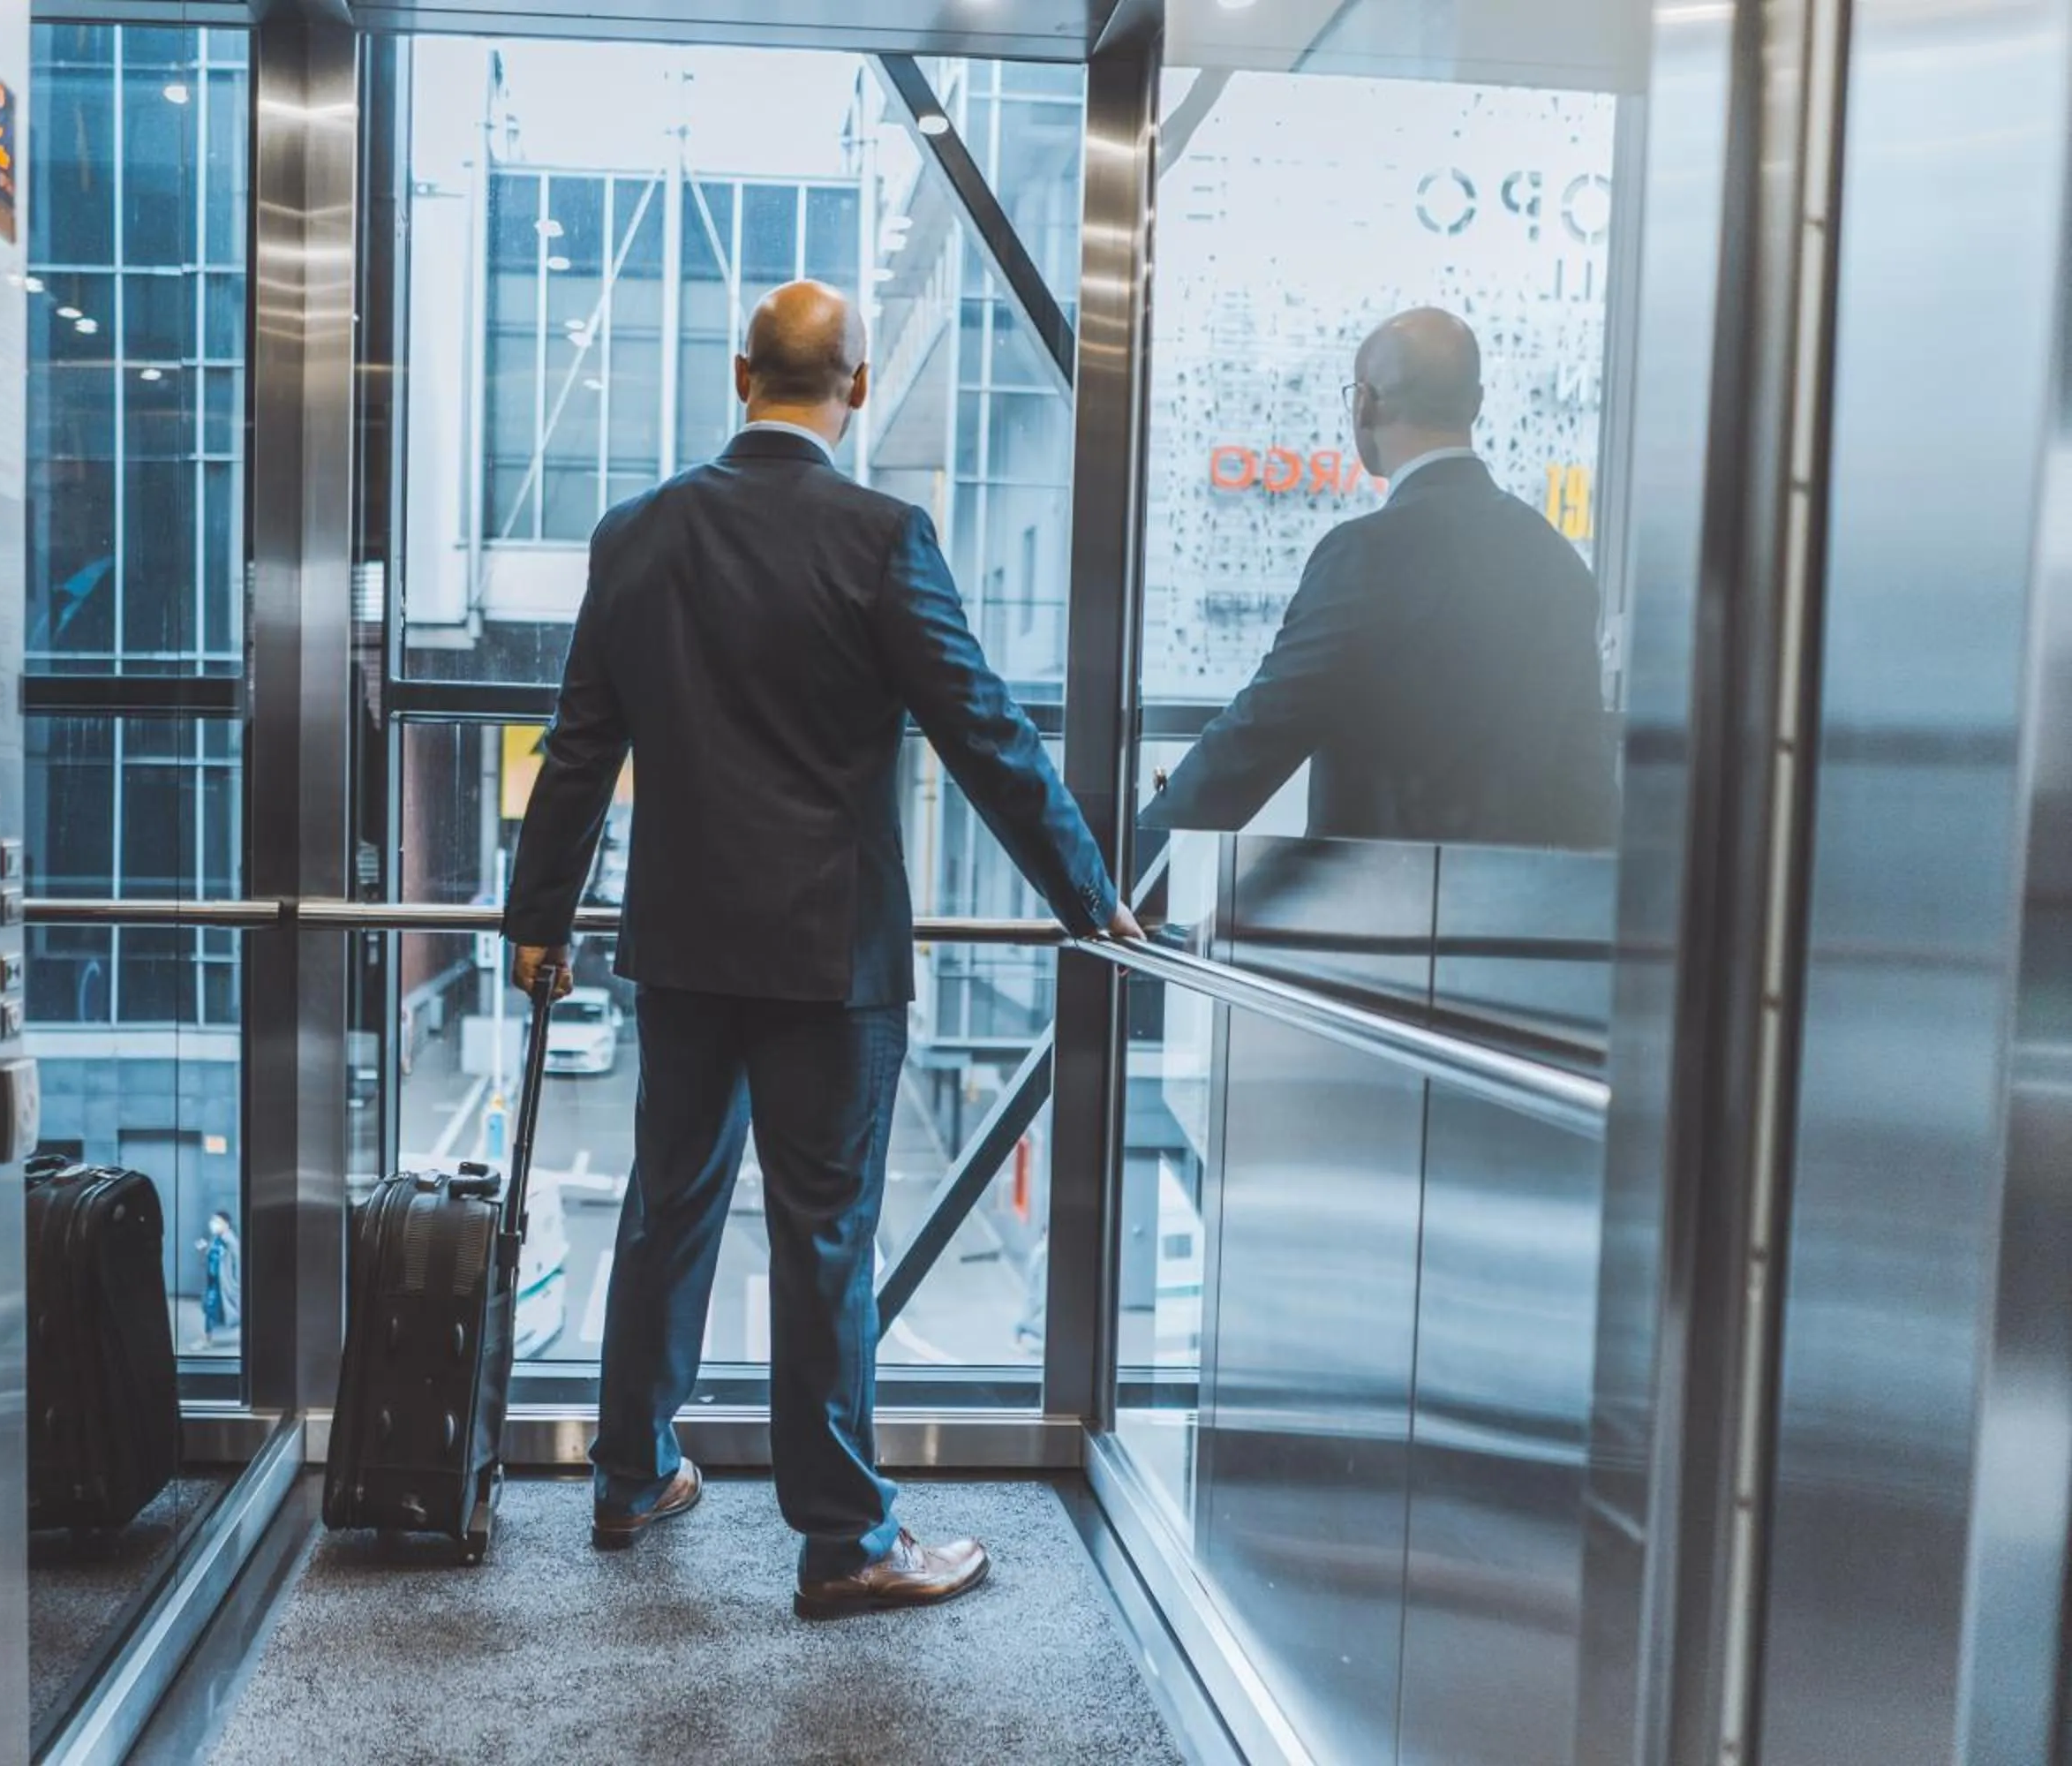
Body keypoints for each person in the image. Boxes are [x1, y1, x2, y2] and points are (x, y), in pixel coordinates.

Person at [501, 279, 1141, 1619]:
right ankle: (845, 1539)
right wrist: (1090, 897)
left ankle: (629, 1476)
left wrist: (535, 922)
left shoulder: (636, 536)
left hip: (677, 946)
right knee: (823, 1240)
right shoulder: (879, 537)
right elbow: (987, 737)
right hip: (826, 960)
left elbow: (577, 753)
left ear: (742, 377)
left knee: (666, 1203)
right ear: (851, 389)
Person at [1141, 306, 1617, 849]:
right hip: (1520, 917)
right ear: (1477, 404)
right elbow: (1586, 777)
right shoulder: (1557, 560)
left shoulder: (1365, 555)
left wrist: (1132, 858)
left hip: (1377, 911)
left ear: (1364, 404)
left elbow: (1261, 729)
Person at [198, 1210, 242, 1349]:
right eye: (213, 1221)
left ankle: (208, 1339)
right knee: (210, 1309)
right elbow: (208, 1259)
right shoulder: (215, 1240)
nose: (213, 1225)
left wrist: (236, 1283)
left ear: (226, 1224)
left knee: (233, 1310)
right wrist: (204, 1250)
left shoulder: (231, 1241)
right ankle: (207, 1338)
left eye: (217, 1222)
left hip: (226, 1284)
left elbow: (238, 1263)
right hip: (214, 1281)